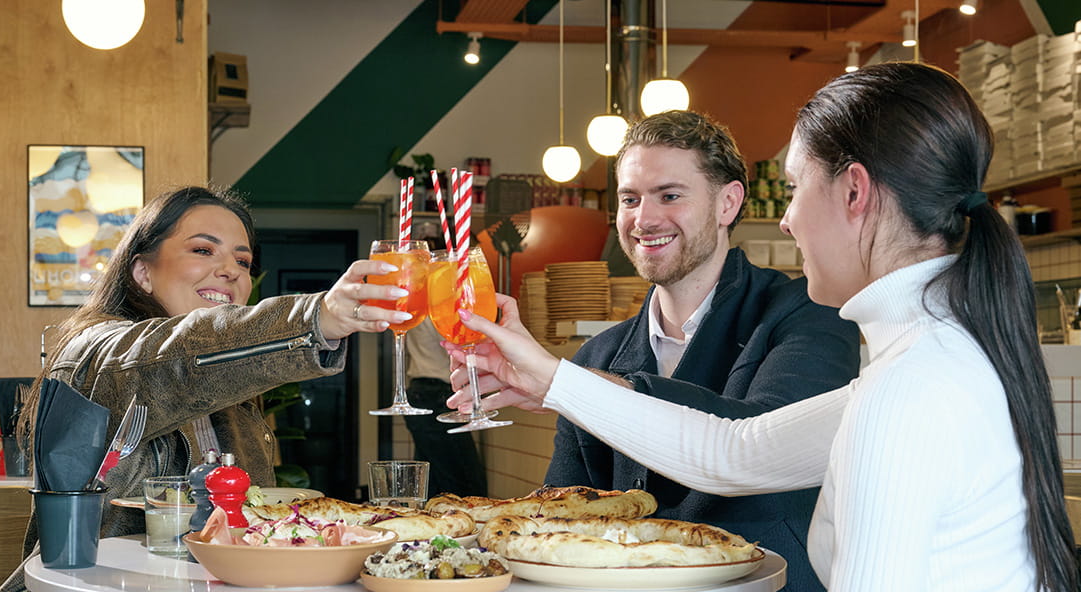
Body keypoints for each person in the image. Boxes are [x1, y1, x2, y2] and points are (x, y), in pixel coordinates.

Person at [446, 63, 1078, 592]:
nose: (786, 221)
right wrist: (553, 378)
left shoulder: (909, 388)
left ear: (854, 192)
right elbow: (731, 452)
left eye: (797, 187)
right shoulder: (932, 359)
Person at [2, 186, 407, 591]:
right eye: (203, 250)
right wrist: (313, 317)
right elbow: (173, 356)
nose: (231, 269)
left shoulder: (233, 385)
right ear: (142, 271)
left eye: (243, 259)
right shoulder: (98, 351)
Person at [542, 110, 860, 592]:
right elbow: (560, 514)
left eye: (669, 196)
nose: (644, 219)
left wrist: (565, 383)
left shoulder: (807, 314)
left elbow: (756, 440)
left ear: (727, 202)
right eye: (630, 199)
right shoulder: (596, 357)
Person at [403, 317, 488, 497]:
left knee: (430, 482)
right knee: (465, 487)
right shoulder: (437, 311)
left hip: (422, 393)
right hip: (437, 396)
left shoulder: (419, 309)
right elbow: (456, 346)